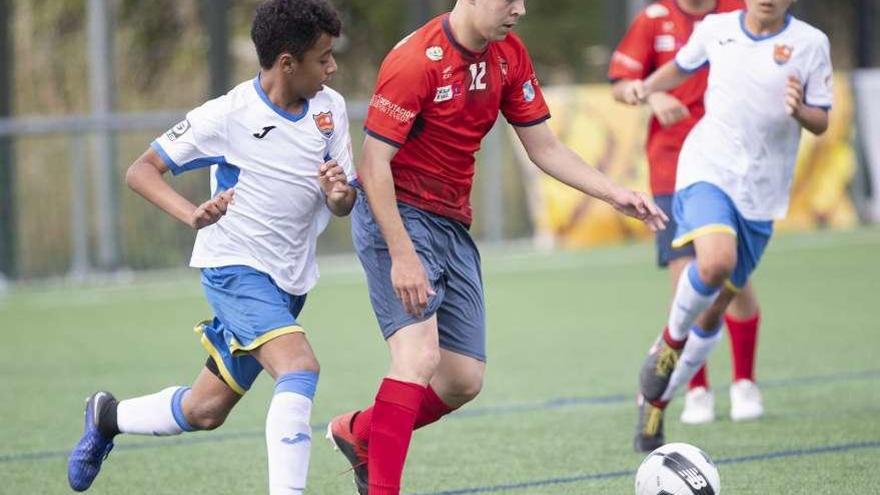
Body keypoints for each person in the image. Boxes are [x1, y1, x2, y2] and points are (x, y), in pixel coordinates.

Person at [324, 1, 667, 494]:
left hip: (452, 223)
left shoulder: (509, 54)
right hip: (396, 216)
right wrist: (402, 255)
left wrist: (614, 194)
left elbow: (544, 147)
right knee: (417, 359)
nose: (521, 10)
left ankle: (359, 434)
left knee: (462, 380)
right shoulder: (415, 60)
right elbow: (373, 165)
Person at [66, 1, 354, 493]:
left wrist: (338, 193)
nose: (332, 67)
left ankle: (107, 417)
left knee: (205, 410)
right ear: (287, 62)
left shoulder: (331, 109)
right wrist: (190, 214)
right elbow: (141, 170)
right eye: (323, 57)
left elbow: (345, 199)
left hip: (288, 280)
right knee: (300, 366)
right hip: (234, 269)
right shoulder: (228, 114)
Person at [617, 0, 831, 452]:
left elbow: (821, 119)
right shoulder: (716, 28)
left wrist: (799, 111)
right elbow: (676, 68)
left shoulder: (811, 44)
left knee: (716, 307)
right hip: (706, 167)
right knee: (713, 263)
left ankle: (658, 403)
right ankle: (670, 345)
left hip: (762, 191)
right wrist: (647, 90)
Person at [609, 0, 765, 427]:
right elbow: (621, 84)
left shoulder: (740, 11)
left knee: (733, 274)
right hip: (672, 165)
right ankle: (697, 389)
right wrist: (652, 93)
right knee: (687, 279)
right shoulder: (653, 19)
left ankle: (745, 383)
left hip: (732, 163)